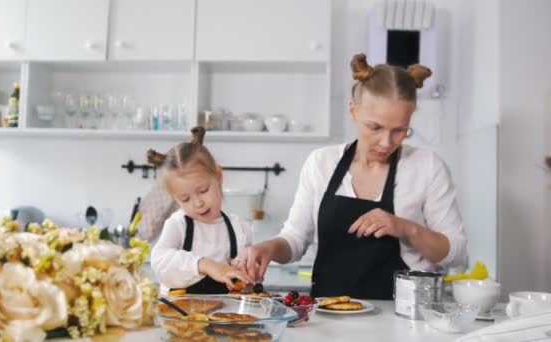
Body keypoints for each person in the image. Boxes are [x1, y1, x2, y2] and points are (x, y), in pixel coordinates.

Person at [242, 54, 467, 299]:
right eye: (375, 127)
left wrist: (405, 228)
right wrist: (268, 248)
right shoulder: (322, 163)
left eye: (400, 130)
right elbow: (295, 240)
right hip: (328, 314)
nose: (386, 142)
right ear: (353, 110)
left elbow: (455, 252)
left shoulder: (427, 167)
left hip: (403, 317)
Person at [151, 128, 254, 295]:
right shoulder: (178, 225)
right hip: (180, 318)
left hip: (227, 317)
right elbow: (160, 262)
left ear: (219, 177)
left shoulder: (239, 228)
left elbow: (247, 279)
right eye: (185, 199)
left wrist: (247, 273)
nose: (198, 203)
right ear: (175, 199)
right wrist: (205, 265)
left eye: (203, 190)